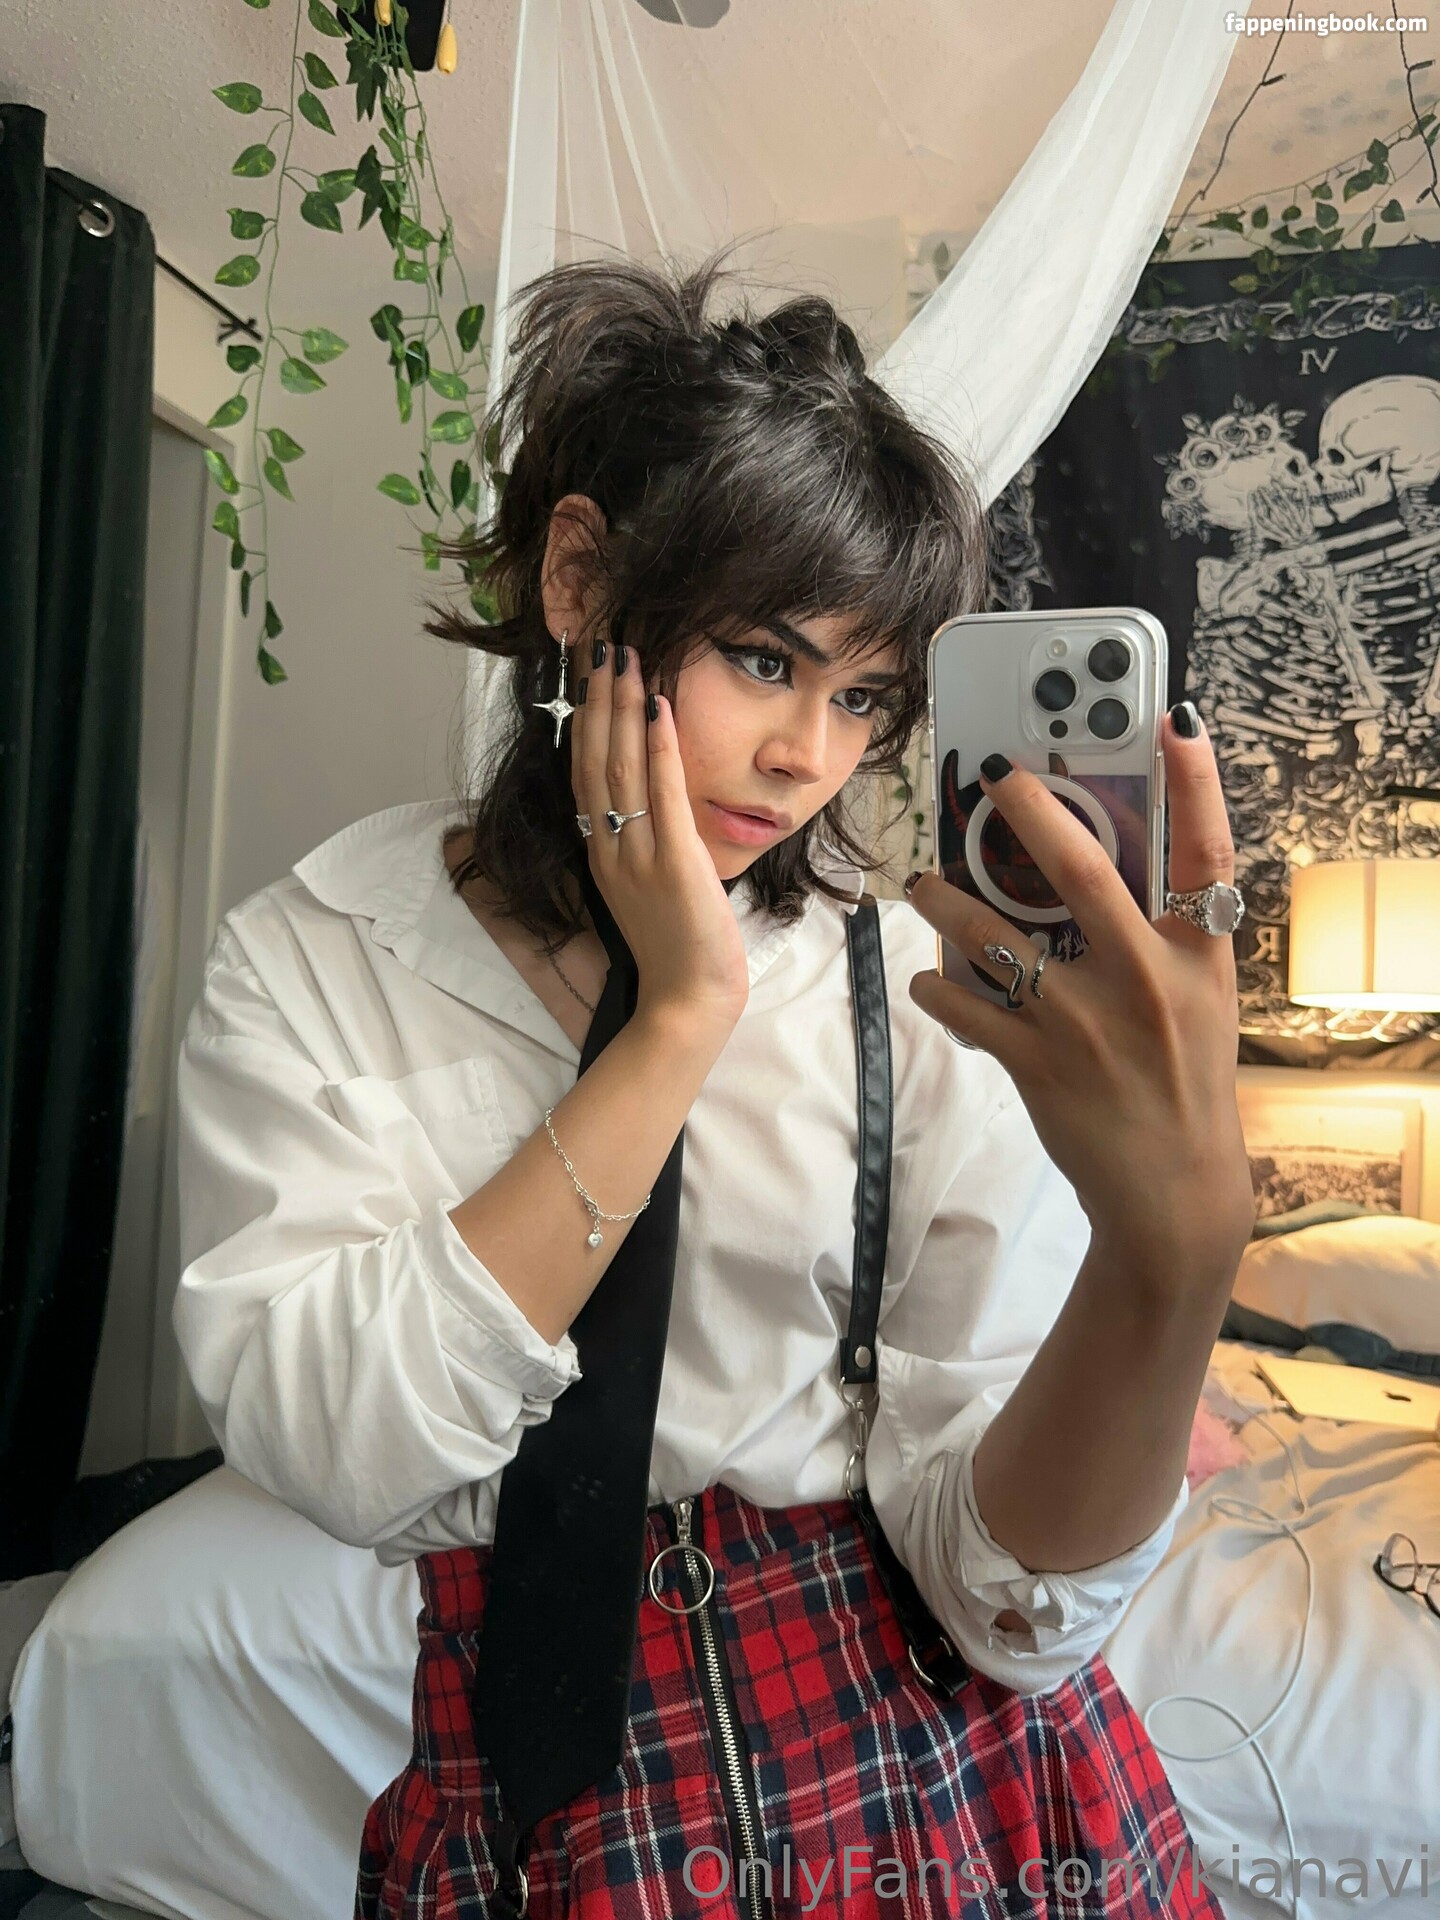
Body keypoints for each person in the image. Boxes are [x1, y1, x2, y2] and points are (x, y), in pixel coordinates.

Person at [172, 252, 1254, 1919]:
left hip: (933, 1784)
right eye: (763, 658)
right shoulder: (315, 957)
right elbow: (338, 1448)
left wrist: (1169, 1265)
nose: (810, 755)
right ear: (580, 575)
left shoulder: (907, 988)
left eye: (864, 696)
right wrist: (675, 1024)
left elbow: (1011, 1610)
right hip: (529, 1797)